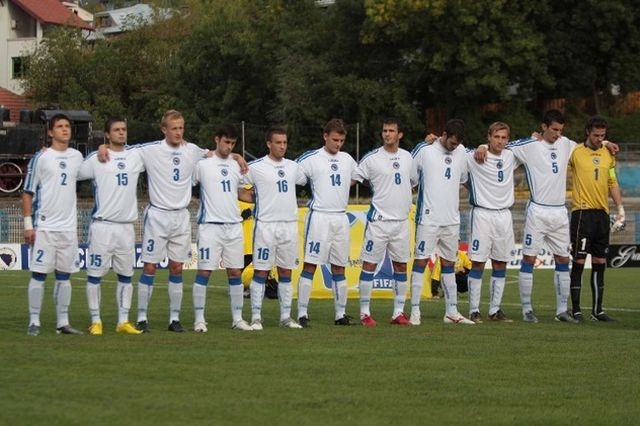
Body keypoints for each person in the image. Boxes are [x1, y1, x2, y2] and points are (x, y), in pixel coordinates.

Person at [78, 117, 145, 335]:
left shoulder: (136, 155)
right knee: (94, 274)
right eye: (116, 130)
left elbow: (163, 150)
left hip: (126, 227)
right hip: (102, 226)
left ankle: (123, 321)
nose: (121, 133)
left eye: (124, 129)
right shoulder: (96, 158)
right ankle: (96, 320)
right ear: (107, 134)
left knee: (126, 275)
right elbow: (71, 173)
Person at [23, 113, 84, 336]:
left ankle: (62, 323)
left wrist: (104, 148)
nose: (65, 129)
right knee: (39, 274)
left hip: (68, 228)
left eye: (67, 126)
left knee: (64, 276)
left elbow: (95, 166)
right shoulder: (41, 157)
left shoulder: (77, 156)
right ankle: (34, 321)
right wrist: (28, 224)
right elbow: (27, 192)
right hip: (45, 227)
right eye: (59, 126)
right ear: (50, 132)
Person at [410, 119, 474, 325]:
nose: (454, 147)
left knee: (449, 264)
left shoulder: (462, 151)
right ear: (444, 135)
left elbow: (467, 172)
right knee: (420, 261)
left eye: (457, 144)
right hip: (428, 218)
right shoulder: (425, 150)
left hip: (451, 219)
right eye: (452, 143)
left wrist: (481, 147)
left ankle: (451, 312)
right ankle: (415, 311)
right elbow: (410, 178)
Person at [190, 124, 254, 332]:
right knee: (205, 271)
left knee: (235, 272)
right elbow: (187, 182)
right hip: (210, 226)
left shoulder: (236, 165)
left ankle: (237, 319)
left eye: (233, 143)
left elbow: (240, 192)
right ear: (216, 140)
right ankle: (199, 319)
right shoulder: (203, 165)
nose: (229, 147)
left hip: (234, 226)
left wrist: (260, 198)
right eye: (226, 142)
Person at [295, 118, 358, 327]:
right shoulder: (311, 158)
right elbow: (292, 174)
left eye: (341, 141)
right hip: (319, 217)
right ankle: (302, 313)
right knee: (310, 264)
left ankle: (340, 314)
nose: (338, 144)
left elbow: (356, 178)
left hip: (341, 217)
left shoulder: (347, 159)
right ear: (325, 136)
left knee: (339, 267)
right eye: (335, 140)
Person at [354, 118, 416, 326]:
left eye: (391, 131)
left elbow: (413, 181)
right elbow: (354, 178)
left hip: (401, 222)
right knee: (369, 265)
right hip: (379, 222)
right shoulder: (372, 158)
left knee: (401, 266)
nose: (387, 134)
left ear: (400, 135)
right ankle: (364, 313)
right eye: (384, 130)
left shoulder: (407, 157)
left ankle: (398, 313)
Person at [245, 126, 303, 330]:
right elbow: (235, 185)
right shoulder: (256, 167)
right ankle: (256, 317)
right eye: (278, 142)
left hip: (289, 226)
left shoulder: (293, 167)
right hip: (266, 226)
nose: (282, 146)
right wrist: (253, 198)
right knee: (261, 271)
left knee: (286, 272)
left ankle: (285, 317)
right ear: (269, 143)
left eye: (285, 142)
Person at [568, 116, 624, 322]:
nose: (599, 139)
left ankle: (597, 311)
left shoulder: (609, 154)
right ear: (587, 132)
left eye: (603, 135)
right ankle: (576, 310)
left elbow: (612, 182)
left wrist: (620, 209)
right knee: (579, 261)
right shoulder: (575, 152)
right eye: (596, 135)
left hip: (602, 214)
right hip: (582, 213)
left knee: (600, 262)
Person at [465, 122, 518, 323]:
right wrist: (481, 147)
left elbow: (533, 142)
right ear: (488, 137)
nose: (500, 141)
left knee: (500, 262)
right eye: (496, 137)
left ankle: (495, 310)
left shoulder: (511, 156)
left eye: (504, 138)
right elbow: (454, 148)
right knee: (478, 263)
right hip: (482, 215)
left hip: (504, 215)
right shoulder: (475, 156)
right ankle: (474, 310)